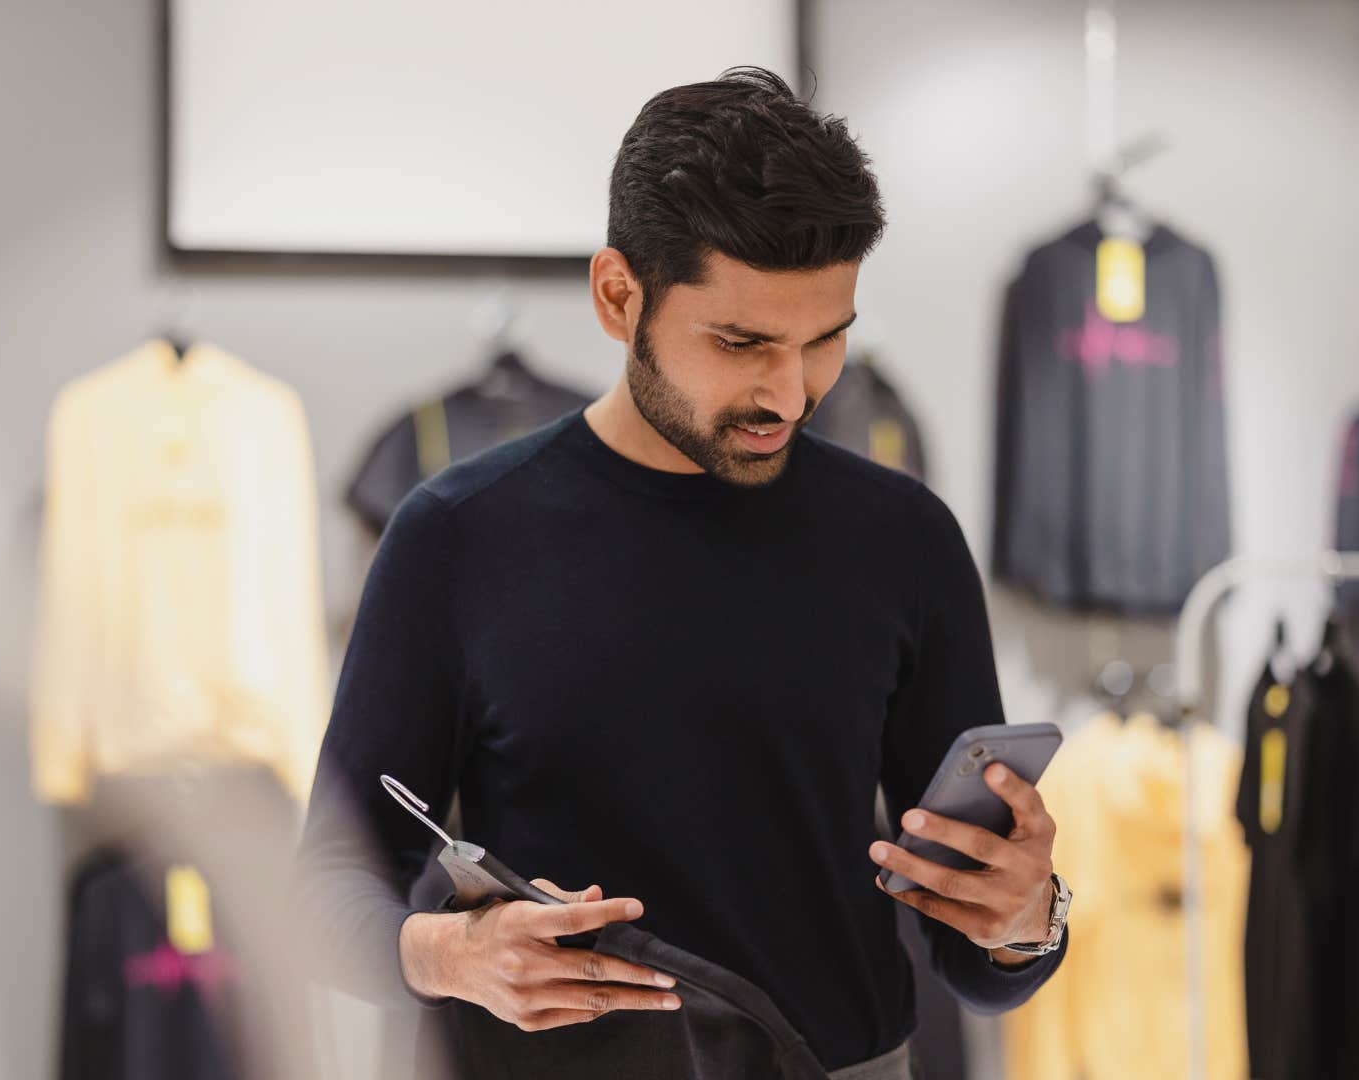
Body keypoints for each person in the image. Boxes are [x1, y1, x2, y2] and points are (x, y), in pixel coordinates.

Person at [303, 66, 1068, 1076]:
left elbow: (974, 960)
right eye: (742, 343)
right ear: (619, 297)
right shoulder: (456, 536)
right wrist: (450, 954)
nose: (790, 395)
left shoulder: (905, 538)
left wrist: (1025, 918)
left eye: (824, 341)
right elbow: (326, 885)